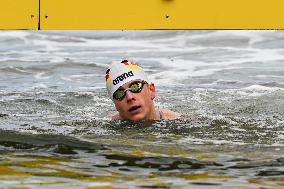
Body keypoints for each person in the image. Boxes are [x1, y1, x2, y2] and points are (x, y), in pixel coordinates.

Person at [105, 60, 179, 121]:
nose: (129, 97)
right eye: (119, 94)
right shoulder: (105, 127)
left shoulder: (177, 121)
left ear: (151, 90)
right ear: (115, 104)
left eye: (135, 87)